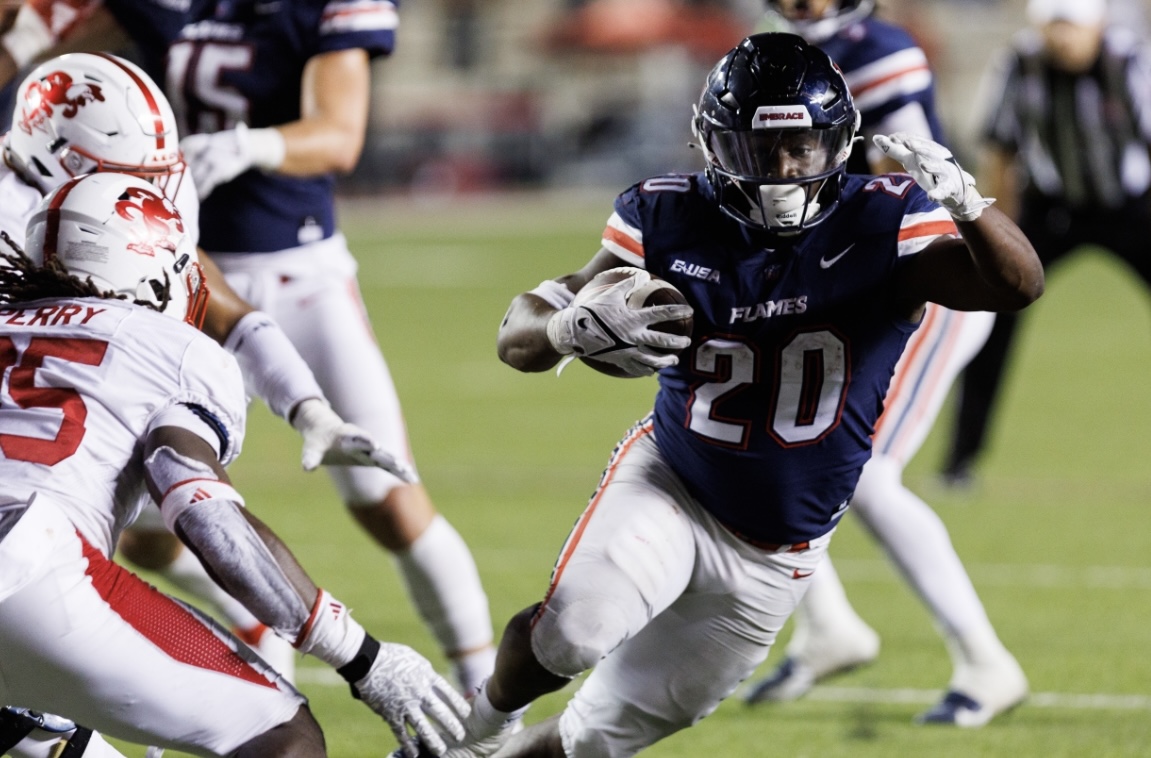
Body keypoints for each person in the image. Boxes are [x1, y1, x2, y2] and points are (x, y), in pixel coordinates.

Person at [429, 32, 1043, 758]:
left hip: (780, 554)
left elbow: (1018, 285)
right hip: (673, 483)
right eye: (758, 149)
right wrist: (567, 327)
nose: (781, 171)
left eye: (801, 148)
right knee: (573, 628)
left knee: (591, 742)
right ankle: (469, 734)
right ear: (713, 145)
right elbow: (517, 335)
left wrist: (969, 204)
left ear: (837, 144)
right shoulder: (666, 215)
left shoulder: (882, 218)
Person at [0, 0, 498, 696]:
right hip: (62, 408)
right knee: (125, 529)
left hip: (247, 290)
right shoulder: (28, 215)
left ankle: (481, 697)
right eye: (127, 179)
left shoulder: (131, 196)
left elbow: (224, 303)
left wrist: (307, 407)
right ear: (61, 164)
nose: (147, 193)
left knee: (377, 498)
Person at [0, 171, 469, 758]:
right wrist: (361, 655)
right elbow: (204, 512)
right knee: (285, 734)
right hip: (31, 565)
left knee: (46, 729)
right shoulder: (170, 347)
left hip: (25, 575)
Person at [740, 0, 1028, 727]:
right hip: (845, 276)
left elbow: (898, 174)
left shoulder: (876, 47)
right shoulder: (781, 50)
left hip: (918, 278)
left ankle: (985, 662)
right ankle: (827, 626)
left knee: (866, 474)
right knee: (759, 440)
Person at [942, 0, 1151, 486]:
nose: (1063, 38)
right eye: (1054, 26)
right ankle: (960, 460)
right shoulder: (1020, 63)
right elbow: (1001, 150)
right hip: (1051, 209)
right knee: (992, 313)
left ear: (1098, 26)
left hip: (1131, 206)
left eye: (1073, 27)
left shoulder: (1129, 62)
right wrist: (996, 236)